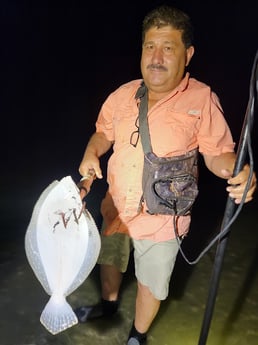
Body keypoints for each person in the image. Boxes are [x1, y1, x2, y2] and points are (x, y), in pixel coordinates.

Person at [75, 5, 257, 345]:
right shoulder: (122, 94)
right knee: (110, 260)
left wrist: (236, 171)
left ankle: (137, 336)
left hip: (163, 219)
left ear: (187, 54)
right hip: (116, 205)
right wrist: (91, 151)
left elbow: (218, 152)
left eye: (168, 48)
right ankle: (108, 307)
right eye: (149, 46)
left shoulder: (201, 99)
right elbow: (103, 133)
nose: (156, 58)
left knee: (152, 283)